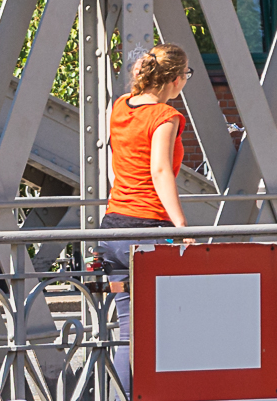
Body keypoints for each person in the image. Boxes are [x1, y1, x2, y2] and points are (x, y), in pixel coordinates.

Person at [97, 44, 195, 396]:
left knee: (128, 328)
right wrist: (182, 226)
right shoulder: (165, 117)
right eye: (187, 75)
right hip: (151, 233)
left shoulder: (119, 107)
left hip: (114, 230)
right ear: (175, 78)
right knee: (165, 328)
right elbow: (159, 171)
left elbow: (115, 165)